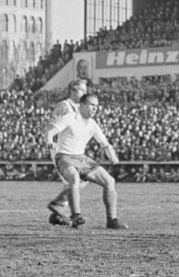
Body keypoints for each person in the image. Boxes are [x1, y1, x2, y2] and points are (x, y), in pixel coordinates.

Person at [44, 93, 127, 229]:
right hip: (64, 156)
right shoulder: (69, 118)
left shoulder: (92, 124)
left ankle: (112, 220)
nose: (95, 108)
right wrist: (50, 145)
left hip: (80, 158)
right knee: (74, 178)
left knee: (109, 181)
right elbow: (49, 132)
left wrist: (112, 156)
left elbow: (105, 144)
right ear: (82, 105)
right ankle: (76, 215)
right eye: (91, 105)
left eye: (96, 106)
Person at [46, 79, 89, 225]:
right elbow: (51, 128)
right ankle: (64, 208)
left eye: (85, 90)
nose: (85, 93)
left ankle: (58, 213)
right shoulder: (65, 106)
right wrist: (53, 148)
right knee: (75, 180)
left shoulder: (79, 108)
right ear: (72, 91)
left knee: (82, 179)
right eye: (81, 90)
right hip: (63, 151)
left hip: (74, 151)